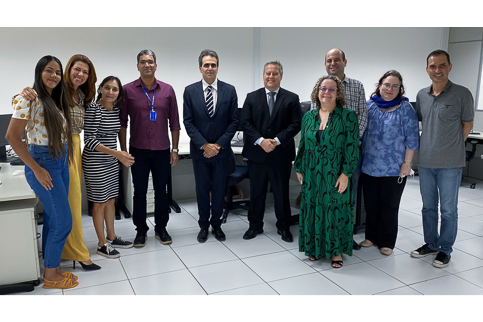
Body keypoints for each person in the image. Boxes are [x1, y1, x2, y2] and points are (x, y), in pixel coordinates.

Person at [18, 55, 101, 270]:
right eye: (77, 69)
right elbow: (26, 102)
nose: (80, 75)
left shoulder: (81, 95)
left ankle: (56, 256)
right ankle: (77, 253)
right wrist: (25, 91)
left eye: (85, 72)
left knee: (59, 207)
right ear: (68, 70)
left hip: (71, 147)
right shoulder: (58, 89)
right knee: (70, 206)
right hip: (54, 149)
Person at [6, 55, 78, 289]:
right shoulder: (29, 98)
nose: (54, 76)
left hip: (59, 159)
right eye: (49, 70)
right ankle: (51, 275)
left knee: (52, 218)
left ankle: (52, 267)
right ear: (39, 72)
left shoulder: (54, 99)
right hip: (43, 162)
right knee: (63, 221)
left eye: (58, 72)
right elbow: (12, 137)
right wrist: (35, 169)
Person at [411, 49, 474, 268]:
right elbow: (421, 123)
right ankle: (431, 243)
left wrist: (453, 146)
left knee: (448, 210)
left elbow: (467, 124)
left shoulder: (462, 93)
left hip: (450, 164)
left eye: (442, 65)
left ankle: (445, 249)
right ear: (427, 69)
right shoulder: (421, 95)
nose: (437, 70)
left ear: (450, 66)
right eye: (433, 66)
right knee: (428, 207)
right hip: (426, 162)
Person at [294, 75, 359, 268]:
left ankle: (336, 250)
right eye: (323, 88)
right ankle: (314, 247)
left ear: (338, 93)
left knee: (335, 210)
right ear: (317, 91)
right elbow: (303, 145)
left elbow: (352, 147)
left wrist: (346, 173)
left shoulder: (347, 116)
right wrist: (299, 167)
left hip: (335, 173)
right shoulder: (308, 116)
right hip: (312, 173)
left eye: (332, 89)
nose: (327, 93)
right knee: (314, 209)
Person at [119, 49, 181, 247]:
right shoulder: (127, 90)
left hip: (163, 149)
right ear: (137, 66)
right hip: (138, 150)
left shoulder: (168, 90)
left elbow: (175, 123)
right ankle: (141, 230)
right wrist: (123, 151)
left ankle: (161, 228)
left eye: (151, 61)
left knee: (162, 191)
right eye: (143, 61)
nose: (147, 65)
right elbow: (122, 124)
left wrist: (175, 149)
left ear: (156, 65)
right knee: (140, 192)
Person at [240, 60, 301, 243]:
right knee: (257, 192)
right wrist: (261, 141)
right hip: (257, 154)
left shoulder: (291, 98)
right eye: (268, 73)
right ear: (263, 75)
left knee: (281, 193)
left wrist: (275, 141)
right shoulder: (252, 97)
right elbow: (245, 123)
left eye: (275, 73)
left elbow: (296, 124)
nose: (271, 76)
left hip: (280, 154)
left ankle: (283, 227)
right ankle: (254, 226)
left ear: (281, 76)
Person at [360, 70, 419, 256]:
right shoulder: (369, 106)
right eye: (387, 84)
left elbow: (412, 139)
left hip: (394, 167)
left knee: (389, 205)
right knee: (371, 204)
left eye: (395, 86)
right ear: (379, 85)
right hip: (369, 165)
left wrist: (407, 163)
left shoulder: (406, 108)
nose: (390, 89)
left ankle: (386, 241)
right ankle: (370, 236)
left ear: (400, 89)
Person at [183, 49, 239, 243]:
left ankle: (217, 224)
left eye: (213, 65)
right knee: (201, 190)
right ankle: (203, 226)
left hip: (221, 152)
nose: (210, 68)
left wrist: (218, 145)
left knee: (219, 190)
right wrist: (204, 145)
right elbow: (188, 122)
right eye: (206, 65)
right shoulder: (190, 91)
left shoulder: (229, 90)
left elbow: (234, 122)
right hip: (200, 152)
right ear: (200, 68)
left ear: (217, 67)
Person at [83, 76, 134, 258]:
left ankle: (112, 236)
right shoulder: (94, 109)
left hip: (111, 161)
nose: (111, 92)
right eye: (107, 88)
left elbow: (117, 133)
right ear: (100, 89)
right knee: (99, 203)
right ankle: (101, 243)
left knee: (111, 199)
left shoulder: (115, 110)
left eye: (115, 89)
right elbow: (89, 140)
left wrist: (121, 153)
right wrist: (117, 154)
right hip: (95, 162)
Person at [322, 48, 367, 250]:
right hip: (326, 155)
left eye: (337, 59)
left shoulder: (357, 87)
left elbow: (362, 116)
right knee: (326, 195)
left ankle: (345, 236)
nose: (333, 63)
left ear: (345, 62)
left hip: (349, 153)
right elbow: (317, 117)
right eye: (329, 60)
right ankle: (325, 235)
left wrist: (350, 141)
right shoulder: (322, 86)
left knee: (347, 196)